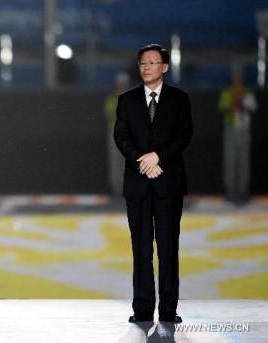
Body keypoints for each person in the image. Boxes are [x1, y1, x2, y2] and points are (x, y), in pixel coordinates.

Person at [113, 44, 193, 323]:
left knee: (169, 247)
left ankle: (168, 309)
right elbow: (121, 137)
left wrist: (158, 157)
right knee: (142, 248)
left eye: (152, 62)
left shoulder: (179, 99)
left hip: (168, 182)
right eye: (142, 63)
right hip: (137, 183)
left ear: (164, 67)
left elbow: (184, 135)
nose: (146, 67)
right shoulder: (127, 100)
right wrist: (142, 161)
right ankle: (143, 308)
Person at [218, 65, 257, 205]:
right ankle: (231, 191)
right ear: (232, 77)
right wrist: (234, 105)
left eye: (239, 76)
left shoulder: (247, 93)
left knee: (243, 161)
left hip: (243, 129)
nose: (237, 78)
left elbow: (253, 109)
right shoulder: (227, 93)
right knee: (230, 160)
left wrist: (243, 105)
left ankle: (243, 191)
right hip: (230, 129)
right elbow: (223, 110)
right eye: (235, 76)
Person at [104, 72, 130, 199]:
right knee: (115, 162)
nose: (122, 87)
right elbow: (110, 114)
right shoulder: (112, 99)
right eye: (120, 85)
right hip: (115, 134)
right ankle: (116, 189)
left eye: (124, 85)